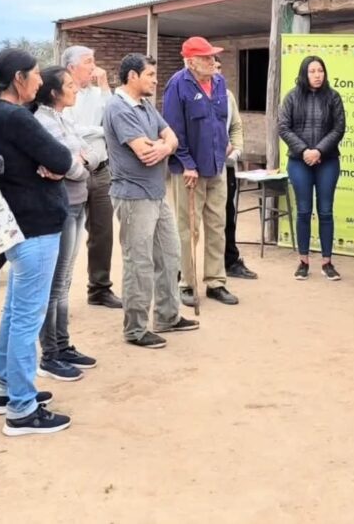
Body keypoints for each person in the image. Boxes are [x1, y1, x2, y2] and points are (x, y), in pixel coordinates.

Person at [0, 48, 75, 437]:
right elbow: (62, 158)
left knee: (15, 312)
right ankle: (21, 408)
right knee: (26, 318)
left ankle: (6, 389)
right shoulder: (15, 116)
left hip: (15, 223)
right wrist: (51, 166)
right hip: (35, 223)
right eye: (35, 76)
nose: (39, 82)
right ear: (19, 78)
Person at [104, 53, 199, 348]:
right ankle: (135, 329)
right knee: (139, 263)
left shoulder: (144, 105)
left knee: (170, 256)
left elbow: (171, 137)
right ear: (132, 76)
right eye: (150, 75)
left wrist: (165, 146)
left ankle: (167, 316)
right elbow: (145, 153)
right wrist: (163, 146)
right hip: (133, 197)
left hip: (156, 194)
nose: (156, 80)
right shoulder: (118, 108)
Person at [32, 66, 98, 381]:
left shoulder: (63, 118)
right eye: (70, 85)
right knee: (55, 284)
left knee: (65, 281)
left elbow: (87, 155)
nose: (76, 89)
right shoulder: (42, 121)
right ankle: (51, 353)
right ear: (54, 92)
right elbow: (71, 165)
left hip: (76, 201)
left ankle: (63, 343)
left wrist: (78, 163)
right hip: (62, 205)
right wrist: (79, 163)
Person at [162, 36, 237, 307]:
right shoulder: (177, 85)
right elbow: (172, 130)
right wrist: (186, 164)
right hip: (189, 172)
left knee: (217, 225)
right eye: (206, 57)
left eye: (212, 57)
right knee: (188, 229)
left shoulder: (219, 82)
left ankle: (216, 282)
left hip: (217, 166)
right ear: (191, 61)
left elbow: (220, 122)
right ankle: (187, 283)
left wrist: (225, 145)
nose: (212, 61)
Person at [62, 45, 121, 309]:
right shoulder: (61, 94)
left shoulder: (99, 93)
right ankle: (58, 295)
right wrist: (101, 130)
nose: (93, 66)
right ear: (71, 67)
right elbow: (72, 130)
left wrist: (106, 84)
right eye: (88, 61)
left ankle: (99, 288)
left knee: (102, 232)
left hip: (101, 171)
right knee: (67, 236)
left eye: (93, 60)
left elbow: (114, 118)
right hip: (73, 174)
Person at [278, 55, 346, 280]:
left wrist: (319, 151)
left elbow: (339, 128)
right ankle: (303, 261)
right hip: (300, 162)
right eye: (312, 71)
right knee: (304, 211)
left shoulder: (333, 97)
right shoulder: (292, 97)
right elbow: (284, 127)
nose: (317, 75)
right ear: (304, 74)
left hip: (327, 161)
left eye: (321, 71)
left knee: (326, 211)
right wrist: (305, 151)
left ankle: (327, 262)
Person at [214, 57, 257, 280]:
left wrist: (236, 152)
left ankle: (230, 261)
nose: (218, 72)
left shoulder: (228, 96)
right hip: (199, 168)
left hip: (226, 166)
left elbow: (236, 126)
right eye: (214, 67)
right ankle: (184, 271)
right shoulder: (193, 95)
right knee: (192, 224)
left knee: (227, 216)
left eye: (220, 67)